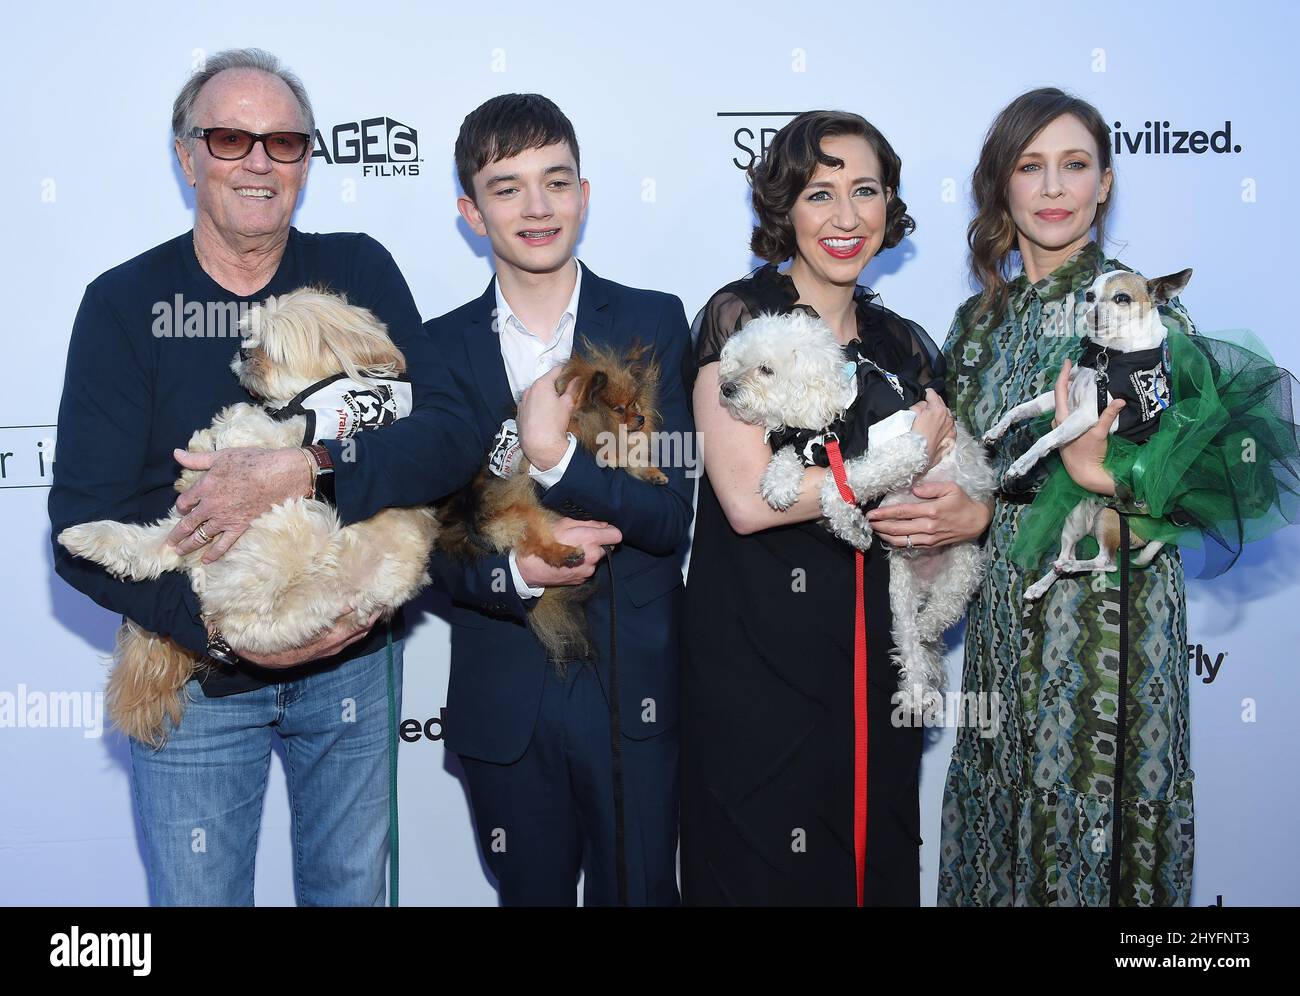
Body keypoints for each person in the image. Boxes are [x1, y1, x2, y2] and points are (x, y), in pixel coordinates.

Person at [48, 48, 480, 906]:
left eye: (282, 142)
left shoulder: (356, 271)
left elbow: (450, 435)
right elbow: (79, 528)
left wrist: (307, 468)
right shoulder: (124, 304)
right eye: (230, 138)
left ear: (307, 161)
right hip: (196, 674)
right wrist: (219, 637)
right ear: (186, 157)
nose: (257, 160)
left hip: (348, 658)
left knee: (350, 894)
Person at [680, 110, 960, 905]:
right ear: (785, 208)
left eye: (864, 191)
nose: (845, 218)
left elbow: (943, 497)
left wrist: (954, 519)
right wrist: (896, 459)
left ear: (889, 205)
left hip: (873, 652)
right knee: (758, 866)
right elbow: (745, 500)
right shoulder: (739, 318)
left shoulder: (908, 346)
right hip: (754, 652)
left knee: (870, 863)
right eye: (819, 193)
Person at [926, 87, 1198, 906]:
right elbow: (965, 486)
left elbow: (1191, 493)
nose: (1052, 189)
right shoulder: (974, 326)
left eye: (1073, 166)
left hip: (1109, 643)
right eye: (1029, 167)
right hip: (1006, 632)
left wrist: (1096, 473)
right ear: (1000, 186)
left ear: (1105, 183)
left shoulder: (1142, 308)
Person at [424, 94, 693, 906]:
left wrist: (558, 459)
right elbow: (431, 543)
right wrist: (518, 575)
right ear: (472, 213)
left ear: (584, 194)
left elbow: (669, 518)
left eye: (556, 182)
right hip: (505, 698)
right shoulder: (432, 349)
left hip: (633, 692)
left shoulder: (652, 322)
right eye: (507, 188)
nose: (537, 207)